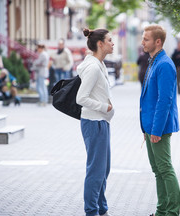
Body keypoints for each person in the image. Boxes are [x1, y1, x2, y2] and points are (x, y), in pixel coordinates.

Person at [140, 24, 180, 216]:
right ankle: (161, 211)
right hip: (150, 125)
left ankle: (171, 212)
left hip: (159, 127)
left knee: (165, 169)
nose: (142, 42)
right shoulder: (153, 61)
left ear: (158, 41)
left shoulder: (164, 64)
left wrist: (156, 130)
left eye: (146, 39)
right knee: (158, 170)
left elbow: (165, 100)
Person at [76, 28, 114, 216]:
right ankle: (92, 211)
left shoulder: (99, 64)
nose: (112, 43)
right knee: (96, 171)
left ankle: (101, 207)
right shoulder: (92, 67)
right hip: (94, 122)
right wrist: (103, 106)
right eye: (109, 40)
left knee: (104, 170)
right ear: (100, 44)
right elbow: (81, 98)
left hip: (101, 122)